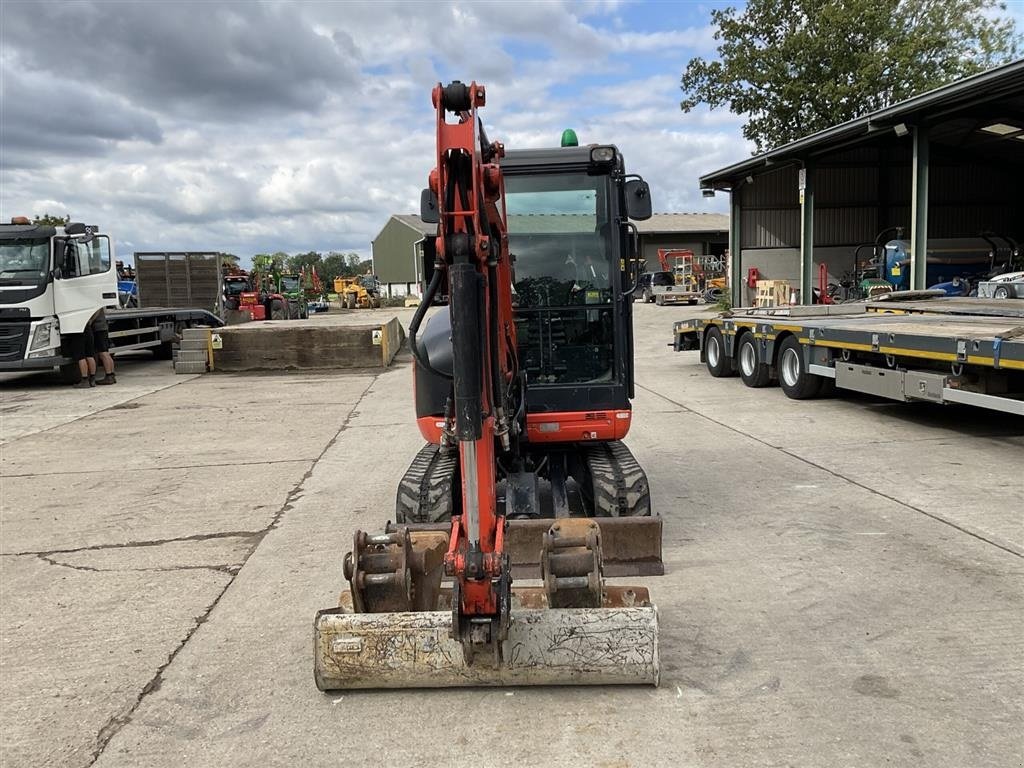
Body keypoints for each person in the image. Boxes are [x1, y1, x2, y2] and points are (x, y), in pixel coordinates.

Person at [91, 308, 116, 385]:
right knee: (106, 352)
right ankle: (111, 375)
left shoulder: (96, 303)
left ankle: (108, 376)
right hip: (103, 327)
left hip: (98, 327)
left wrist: (90, 321)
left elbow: (96, 311)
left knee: (103, 353)